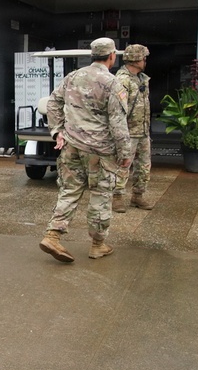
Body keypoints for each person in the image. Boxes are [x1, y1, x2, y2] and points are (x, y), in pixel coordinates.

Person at [38, 37, 121, 262]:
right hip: (100, 151)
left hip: (72, 146)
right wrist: (124, 155)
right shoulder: (112, 82)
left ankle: (53, 235)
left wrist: (57, 131)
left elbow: (52, 103)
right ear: (111, 56)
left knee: (70, 191)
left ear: (93, 55)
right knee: (101, 195)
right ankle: (98, 245)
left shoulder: (72, 77)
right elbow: (117, 122)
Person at [111, 44, 155, 212]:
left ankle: (138, 196)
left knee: (144, 166)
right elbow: (117, 110)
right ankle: (117, 197)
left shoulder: (142, 79)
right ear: (136, 60)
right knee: (123, 165)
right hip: (128, 132)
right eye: (143, 58)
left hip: (142, 131)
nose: (145, 61)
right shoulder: (123, 80)